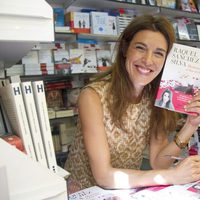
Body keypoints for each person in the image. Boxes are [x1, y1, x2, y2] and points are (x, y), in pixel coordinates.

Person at [65, 15, 200, 193]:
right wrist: (171, 175)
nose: (148, 60)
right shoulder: (93, 96)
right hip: (84, 192)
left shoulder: (155, 98)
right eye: (140, 48)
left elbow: (158, 161)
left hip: (124, 191)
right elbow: (104, 176)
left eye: (158, 53)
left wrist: (190, 125)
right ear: (125, 49)